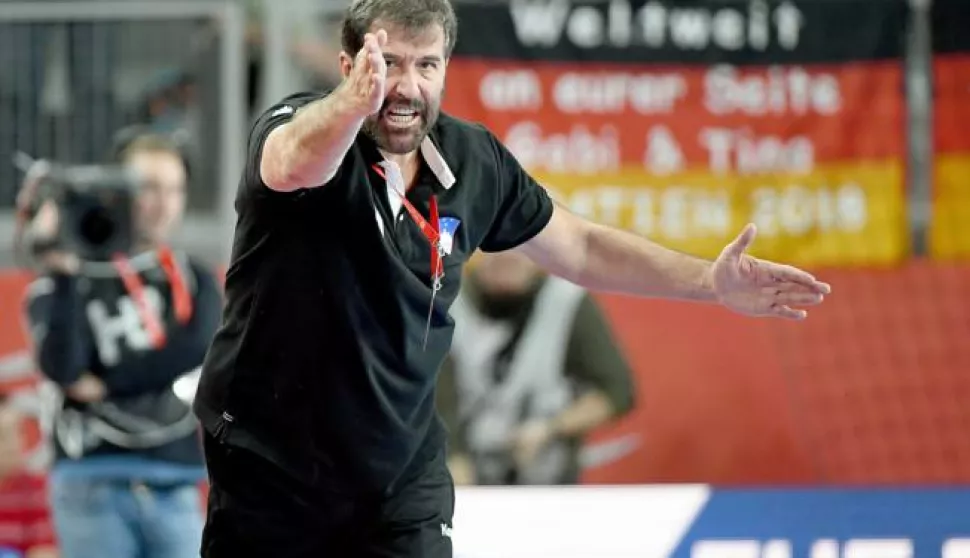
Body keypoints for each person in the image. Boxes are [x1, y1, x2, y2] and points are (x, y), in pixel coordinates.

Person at [193, 0, 831, 555]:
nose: (406, 86)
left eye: (426, 64)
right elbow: (291, 166)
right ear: (349, 65)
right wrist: (346, 107)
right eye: (388, 64)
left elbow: (578, 247)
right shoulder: (299, 125)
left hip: (398, 479)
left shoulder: (473, 161)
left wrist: (709, 283)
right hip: (269, 467)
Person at [20, 132, 223, 558]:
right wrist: (61, 270)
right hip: (91, 477)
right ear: (115, 190)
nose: (163, 202)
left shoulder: (193, 280)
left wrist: (107, 384)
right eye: (148, 187)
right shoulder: (73, 276)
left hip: (174, 479)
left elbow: (196, 350)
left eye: (174, 189)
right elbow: (64, 369)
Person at [437, 250, 635, 486]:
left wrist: (551, 428)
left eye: (521, 246)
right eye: (494, 245)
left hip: (546, 481)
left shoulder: (566, 303)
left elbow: (617, 391)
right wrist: (453, 459)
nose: (507, 256)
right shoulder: (443, 303)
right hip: (460, 479)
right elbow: (431, 398)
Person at [0, 392, 57, 558]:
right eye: (2, 437)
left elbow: (47, 551)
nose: (12, 445)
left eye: (18, 433)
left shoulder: (39, 490)